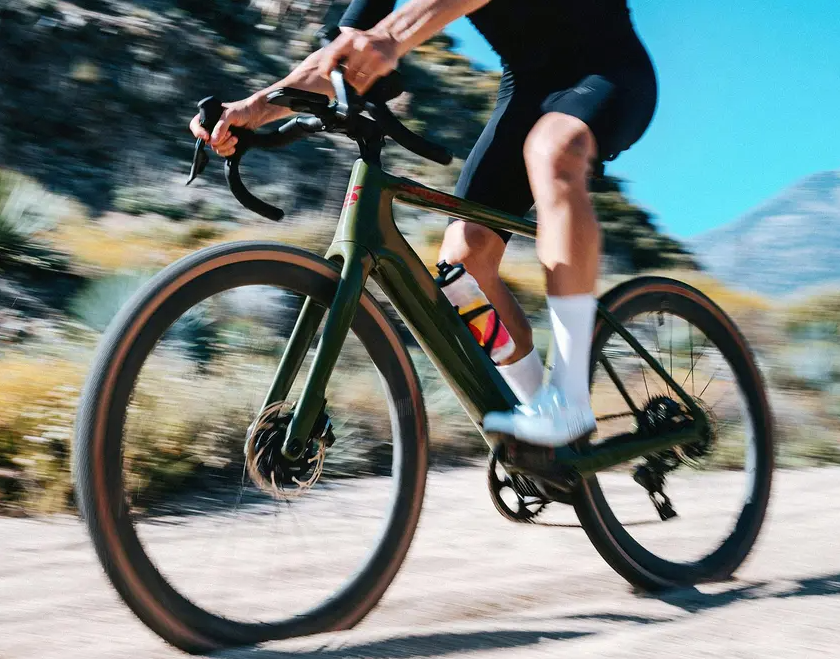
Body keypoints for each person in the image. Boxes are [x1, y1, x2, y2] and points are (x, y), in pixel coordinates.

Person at [189, 0, 657, 448]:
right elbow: (340, 58)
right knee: (463, 263)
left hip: (609, 71)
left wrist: (391, 37)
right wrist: (251, 110)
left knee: (553, 151)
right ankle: (549, 427)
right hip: (527, 91)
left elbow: (390, 35)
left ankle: (570, 397)